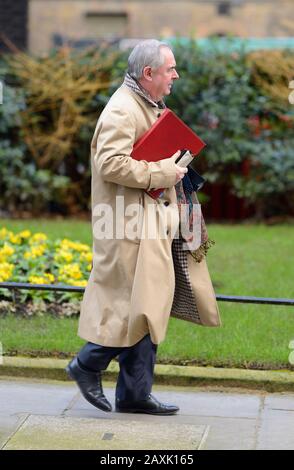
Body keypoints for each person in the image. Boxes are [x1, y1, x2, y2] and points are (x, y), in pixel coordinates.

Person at [66, 39, 220, 415]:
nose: (176, 76)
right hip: (127, 226)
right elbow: (110, 164)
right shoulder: (122, 109)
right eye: (171, 69)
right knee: (142, 306)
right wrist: (163, 171)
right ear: (148, 73)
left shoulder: (146, 103)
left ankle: (134, 394)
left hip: (145, 222)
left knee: (148, 304)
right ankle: (86, 364)